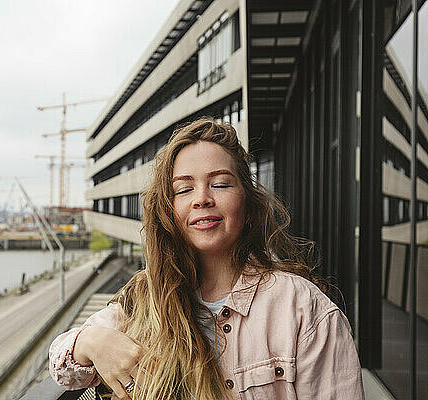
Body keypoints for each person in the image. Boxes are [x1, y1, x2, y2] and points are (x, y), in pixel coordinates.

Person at [49, 118, 364, 400]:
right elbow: (61, 367)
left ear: (249, 206)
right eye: (184, 189)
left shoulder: (304, 309)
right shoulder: (144, 296)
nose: (202, 198)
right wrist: (94, 342)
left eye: (221, 184)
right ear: (169, 212)